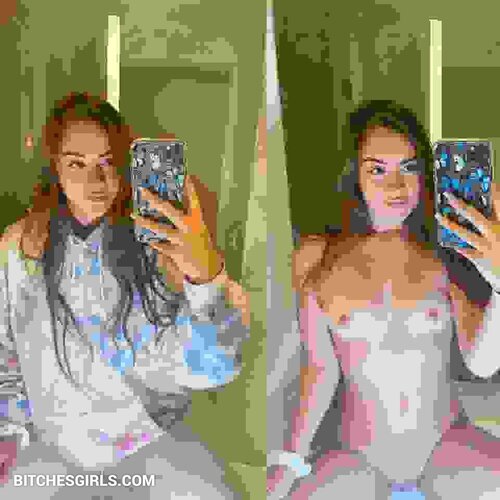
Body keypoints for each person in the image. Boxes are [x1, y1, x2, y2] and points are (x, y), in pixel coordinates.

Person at [0, 92, 250, 499]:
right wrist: (9, 432)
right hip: (52, 445)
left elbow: (215, 368)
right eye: (76, 164)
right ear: (55, 167)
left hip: (147, 440)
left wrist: (205, 276)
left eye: (107, 162)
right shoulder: (19, 249)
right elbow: (4, 351)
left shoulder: (158, 249)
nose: (96, 181)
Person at [267, 100, 500, 499]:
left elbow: (482, 364)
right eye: (377, 170)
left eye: (409, 167)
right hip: (356, 455)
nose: (396, 186)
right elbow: (319, 370)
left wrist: (498, 278)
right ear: (353, 175)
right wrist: (288, 461)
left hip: (447, 444)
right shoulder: (317, 255)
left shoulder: (446, 253)